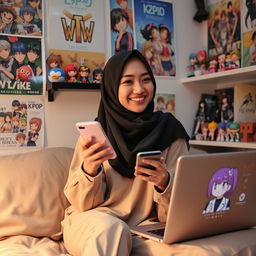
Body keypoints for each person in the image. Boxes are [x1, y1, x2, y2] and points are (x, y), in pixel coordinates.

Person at [62, 49, 190, 256]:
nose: (139, 89)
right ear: (112, 87)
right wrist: (90, 170)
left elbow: (176, 216)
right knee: (112, 229)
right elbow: (82, 205)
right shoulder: (95, 133)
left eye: (145, 80)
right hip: (94, 222)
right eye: (128, 82)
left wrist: (164, 183)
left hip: (144, 227)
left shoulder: (171, 131)